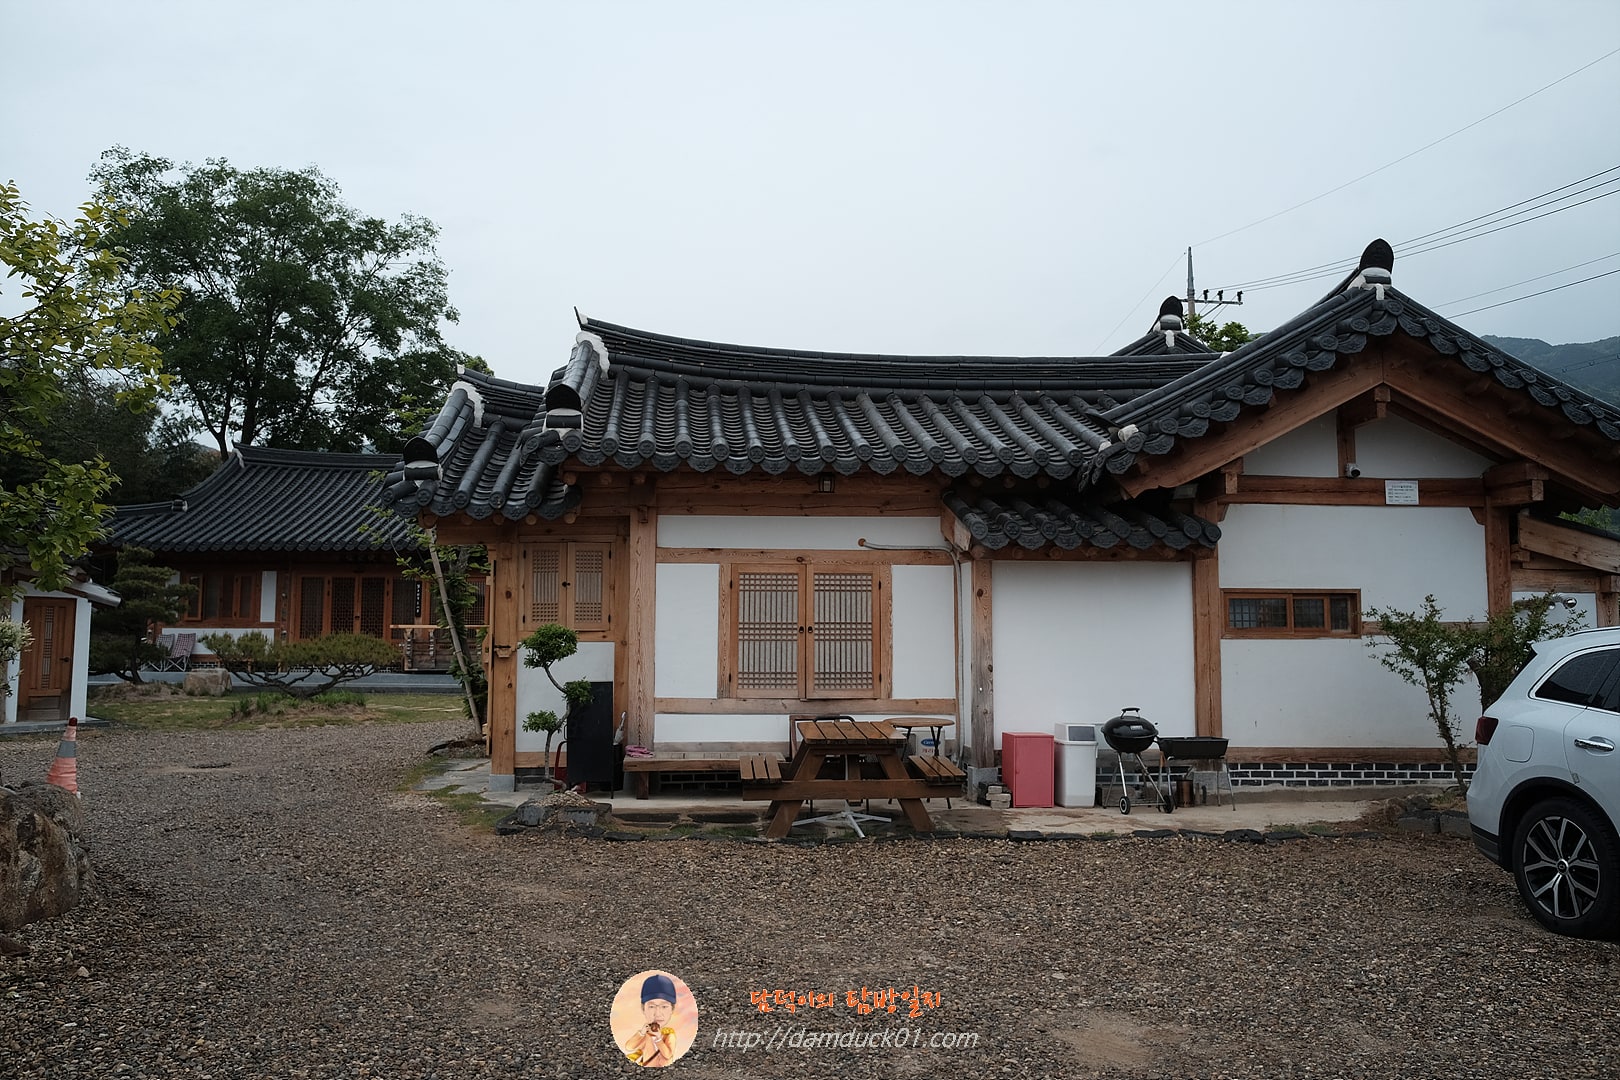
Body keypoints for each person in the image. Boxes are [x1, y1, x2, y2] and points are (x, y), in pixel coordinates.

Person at [623, 973, 678, 1067]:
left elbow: (668, 1055)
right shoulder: (647, 1034)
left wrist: (659, 1039)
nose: (657, 1013)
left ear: (672, 1009)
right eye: (651, 1006)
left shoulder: (669, 1034)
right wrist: (641, 1033)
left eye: (664, 1006)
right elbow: (629, 1047)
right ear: (643, 1008)